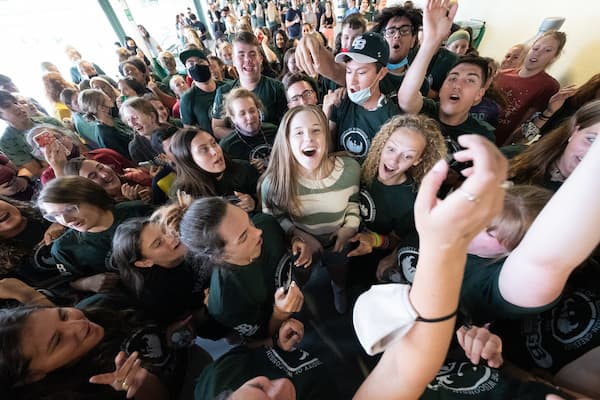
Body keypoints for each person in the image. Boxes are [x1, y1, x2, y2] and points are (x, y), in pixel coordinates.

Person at [261, 105, 361, 314]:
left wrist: (349, 228)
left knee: (339, 273)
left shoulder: (350, 169)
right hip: (301, 248)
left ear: (326, 135)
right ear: (287, 141)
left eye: (316, 130)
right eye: (298, 133)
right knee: (300, 278)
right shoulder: (275, 183)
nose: (309, 138)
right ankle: (299, 302)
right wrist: (297, 234)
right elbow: (274, 218)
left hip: (338, 242)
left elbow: (353, 201)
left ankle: (339, 290)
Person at [177, 196, 304, 339]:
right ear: (220, 256)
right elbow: (261, 339)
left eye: (249, 221)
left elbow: (285, 236)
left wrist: (295, 239)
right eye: (243, 237)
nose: (257, 232)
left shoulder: (265, 223)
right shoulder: (226, 303)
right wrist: (280, 313)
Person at [347, 114, 446, 283]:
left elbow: (396, 241)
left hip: (371, 256)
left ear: (418, 160)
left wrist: (373, 240)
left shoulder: (410, 201)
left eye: (407, 156)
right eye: (391, 149)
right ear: (383, 143)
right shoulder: (361, 167)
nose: (394, 160)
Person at [36, 176, 153, 293]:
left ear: (92, 197)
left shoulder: (136, 210)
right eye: (55, 215)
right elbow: (70, 282)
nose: (66, 220)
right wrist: (85, 284)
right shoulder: (64, 248)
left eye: (70, 209)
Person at [328, 32, 400, 161]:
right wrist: (326, 114)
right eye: (349, 71)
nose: (352, 81)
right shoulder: (341, 102)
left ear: (382, 73)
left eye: (361, 73)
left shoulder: (391, 117)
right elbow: (326, 151)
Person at [508, 99, 600, 191]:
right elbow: (519, 137)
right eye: (591, 140)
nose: (592, 155)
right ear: (574, 132)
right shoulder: (515, 156)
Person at [494, 31, 566, 145]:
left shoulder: (549, 86)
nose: (537, 54)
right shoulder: (502, 74)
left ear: (555, 56)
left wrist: (509, 147)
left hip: (501, 146)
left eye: (547, 50)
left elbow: (531, 127)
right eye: (536, 48)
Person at [211, 31, 287, 138]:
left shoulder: (277, 88)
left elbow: (288, 125)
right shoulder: (224, 92)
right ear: (233, 60)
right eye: (241, 55)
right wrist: (244, 136)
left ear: (260, 58)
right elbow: (217, 128)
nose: (247, 60)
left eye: (252, 54)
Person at [169, 128, 259, 212]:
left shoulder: (243, 168)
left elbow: (266, 205)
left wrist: (253, 203)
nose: (215, 151)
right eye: (204, 149)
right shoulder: (184, 193)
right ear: (189, 160)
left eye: (214, 143)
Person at [0, 90, 62, 176]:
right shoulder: (8, 141)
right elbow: (38, 172)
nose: (17, 107)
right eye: (7, 106)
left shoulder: (49, 121)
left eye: (16, 103)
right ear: (1, 116)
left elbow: (78, 145)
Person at [220, 88, 277, 170]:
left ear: (258, 111)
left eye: (252, 111)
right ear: (233, 118)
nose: (249, 117)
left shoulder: (273, 130)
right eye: (242, 113)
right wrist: (248, 170)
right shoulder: (227, 146)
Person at [63, 157, 153, 203]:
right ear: (85, 189)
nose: (104, 175)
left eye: (101, 167)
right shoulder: (107, 213)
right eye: (93, 176)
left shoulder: (136, 177)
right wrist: (133, 204)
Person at [179, 46, 224, 135]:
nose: (196, 66)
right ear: (188, 73)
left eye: (200, 61)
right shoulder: (187, 99)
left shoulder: (226, 86)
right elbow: (190, 132)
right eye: (191, 64)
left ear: (209, 66)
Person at [78, 89, 133, 160]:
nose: (109, 98)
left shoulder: (113, 118)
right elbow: (123, 157)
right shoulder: (105, 134)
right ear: (101, 108)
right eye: (105, 97)